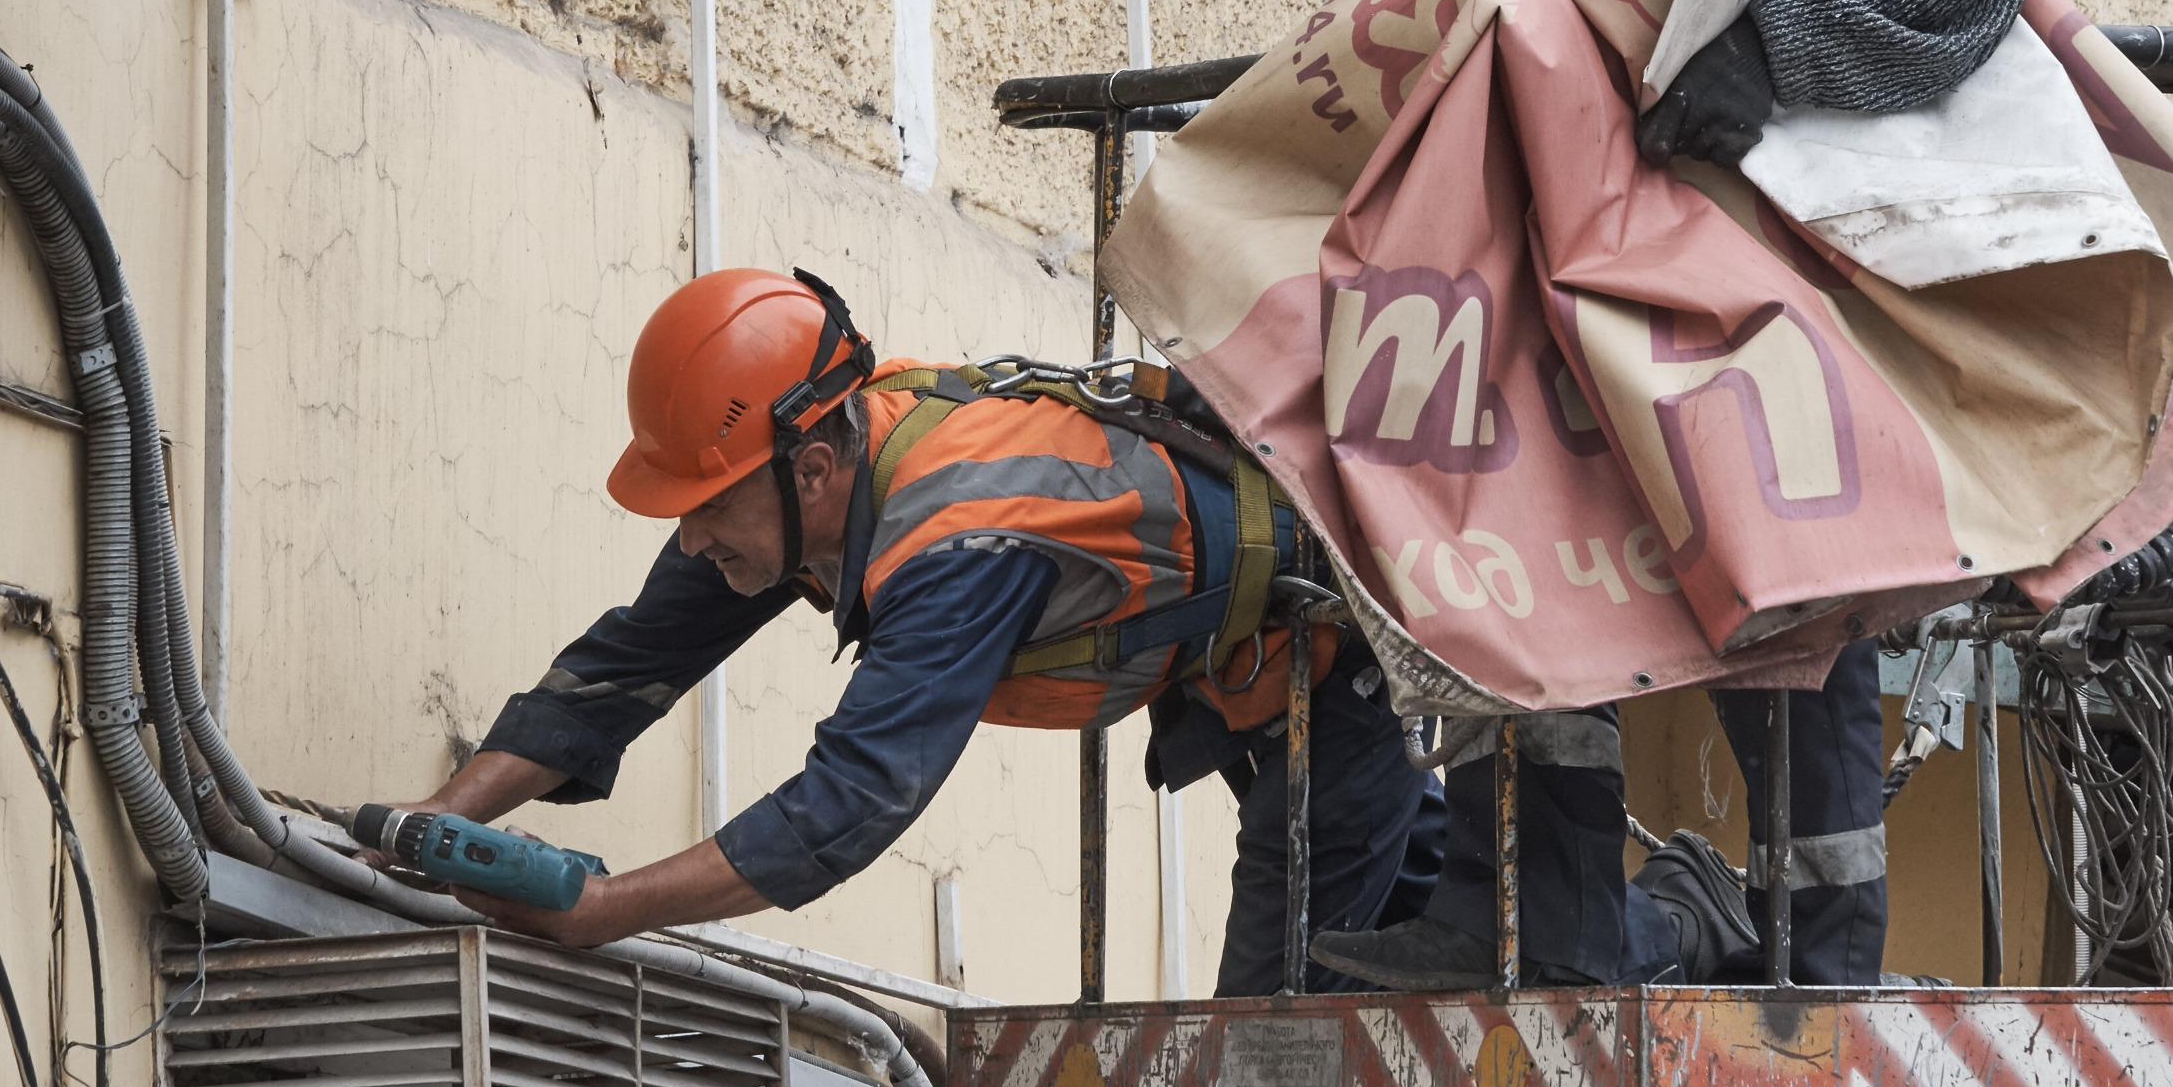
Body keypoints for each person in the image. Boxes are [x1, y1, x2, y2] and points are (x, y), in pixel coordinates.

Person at [1311, 0, 2036, 992]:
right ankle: (1537, 918)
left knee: (1779, 565)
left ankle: (1816, 950)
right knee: (1539, 501)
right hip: (1679, 212)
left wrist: (1768, 51)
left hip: (1791, 228)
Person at [400, 266, 1440, 995]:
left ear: (810, 467)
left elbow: (844, 808)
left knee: (1270, 1041)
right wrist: (435, 826)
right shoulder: (813, 469)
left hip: (1334, 673)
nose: (691, 542)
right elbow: (632, 659)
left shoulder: (958, 546)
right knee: (1408, 926)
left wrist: (600, 911)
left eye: (707, 507)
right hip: (1250, 665)